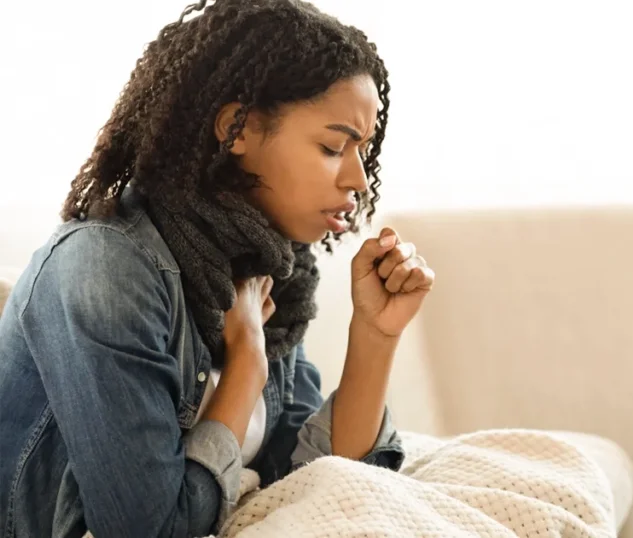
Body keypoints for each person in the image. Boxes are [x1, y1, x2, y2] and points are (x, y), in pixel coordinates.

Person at [0, 1, 435, 536]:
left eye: (363, 152)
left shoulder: (266, 269)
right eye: (333, 146)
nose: (359, 180)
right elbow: (150, 529)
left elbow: (308, 482)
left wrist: (375, 333)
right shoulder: (105, 270)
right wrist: (248, 361)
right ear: (238, 128)